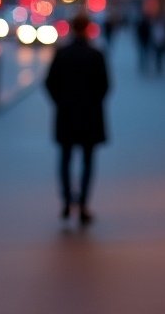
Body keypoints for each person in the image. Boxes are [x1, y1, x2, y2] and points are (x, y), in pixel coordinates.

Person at [44, 12, 110, 226]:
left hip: (66, 114)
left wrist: (61, 102)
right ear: (88, 28)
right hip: (90, 115)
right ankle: (82, 204)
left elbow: (49, 83)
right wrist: (93, 102)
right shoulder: (96, 55)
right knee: (88, 160)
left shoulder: (62, 53)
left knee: (65, 158)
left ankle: (66, 200)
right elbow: (105, 86)